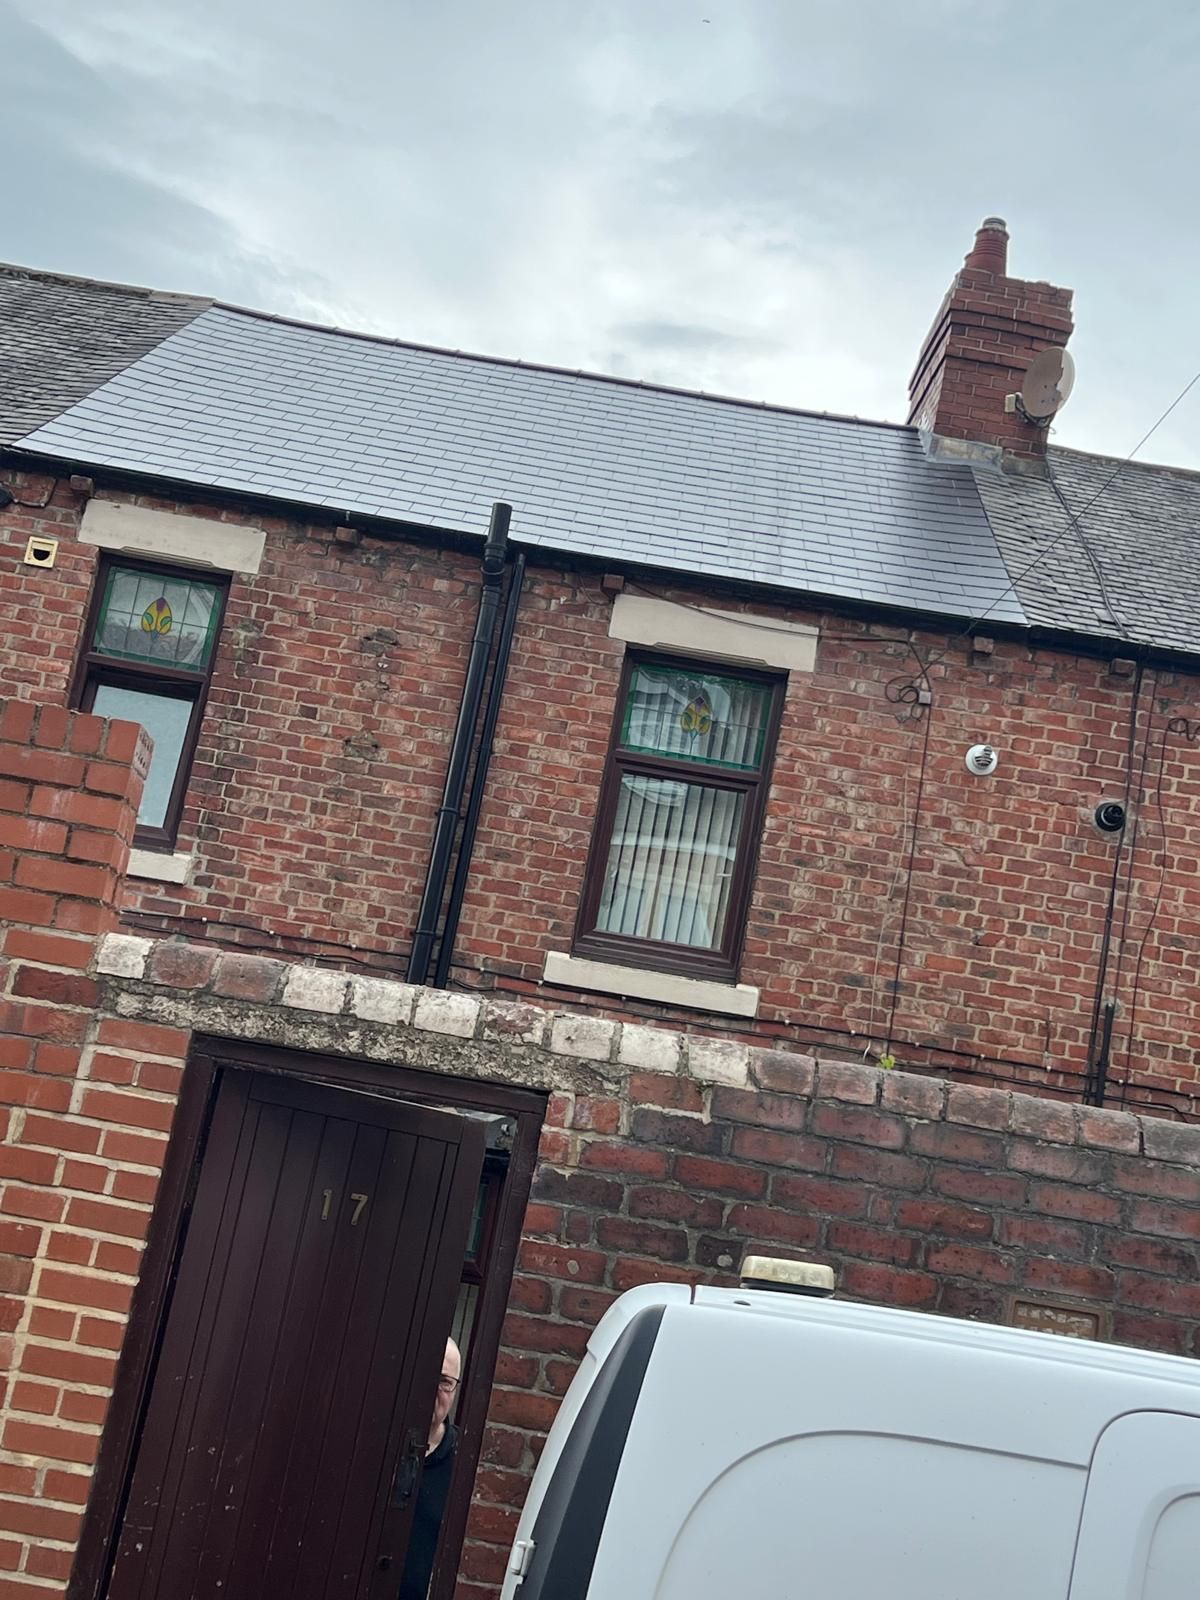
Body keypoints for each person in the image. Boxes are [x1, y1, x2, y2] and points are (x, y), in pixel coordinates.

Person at [398, 1337, 462, 1600]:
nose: (433, 1389)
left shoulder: (463, 1461)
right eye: (426, 1375)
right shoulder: (371, 1445)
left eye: (445, 1382)